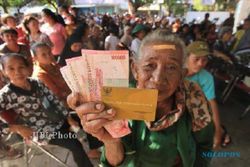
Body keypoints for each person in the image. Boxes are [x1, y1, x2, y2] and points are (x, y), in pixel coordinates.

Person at [67, 30, 215, 167]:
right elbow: (113, 162)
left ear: (182, 75)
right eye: (149, 65)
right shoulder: (118, 100)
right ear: (135, 69)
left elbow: (205, 146)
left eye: (171, 68)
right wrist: (111, 141)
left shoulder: (195, 102)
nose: (158, 79)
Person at [0, 53, 93, 167]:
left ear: (28, 68)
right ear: (4, 71)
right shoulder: (6, 94)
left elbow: (54, 100)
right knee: (74, 143)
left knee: (90, 119)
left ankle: (93, 150)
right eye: (11, 68)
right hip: (40, 131)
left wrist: (69, 118)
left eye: (21, 67)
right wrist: (17, 128)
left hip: (59, 119)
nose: (17, 72)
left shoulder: (37, 83)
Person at [185, 41, 231, 148]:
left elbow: (211, 102)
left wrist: (217, 131)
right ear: (186, 57)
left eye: (204, 59)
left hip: (192, 110)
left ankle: (221, 130)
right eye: (196, 59)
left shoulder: (206, 77)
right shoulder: (174, 70)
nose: (201, 63)